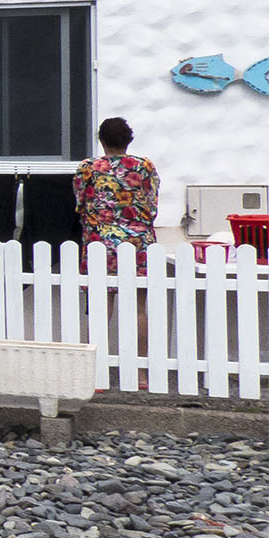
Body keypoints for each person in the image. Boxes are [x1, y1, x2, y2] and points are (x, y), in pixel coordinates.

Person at [74, 116, 159, 386]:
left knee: (101, 308)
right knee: (138, 309)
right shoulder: (144, 166)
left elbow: (80, 203)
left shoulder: (88, 168)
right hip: (138, 243)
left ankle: (96, 373)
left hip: (100, 242)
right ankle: (141, 372)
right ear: (129, 140)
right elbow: (152, 202)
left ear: (101, 140)